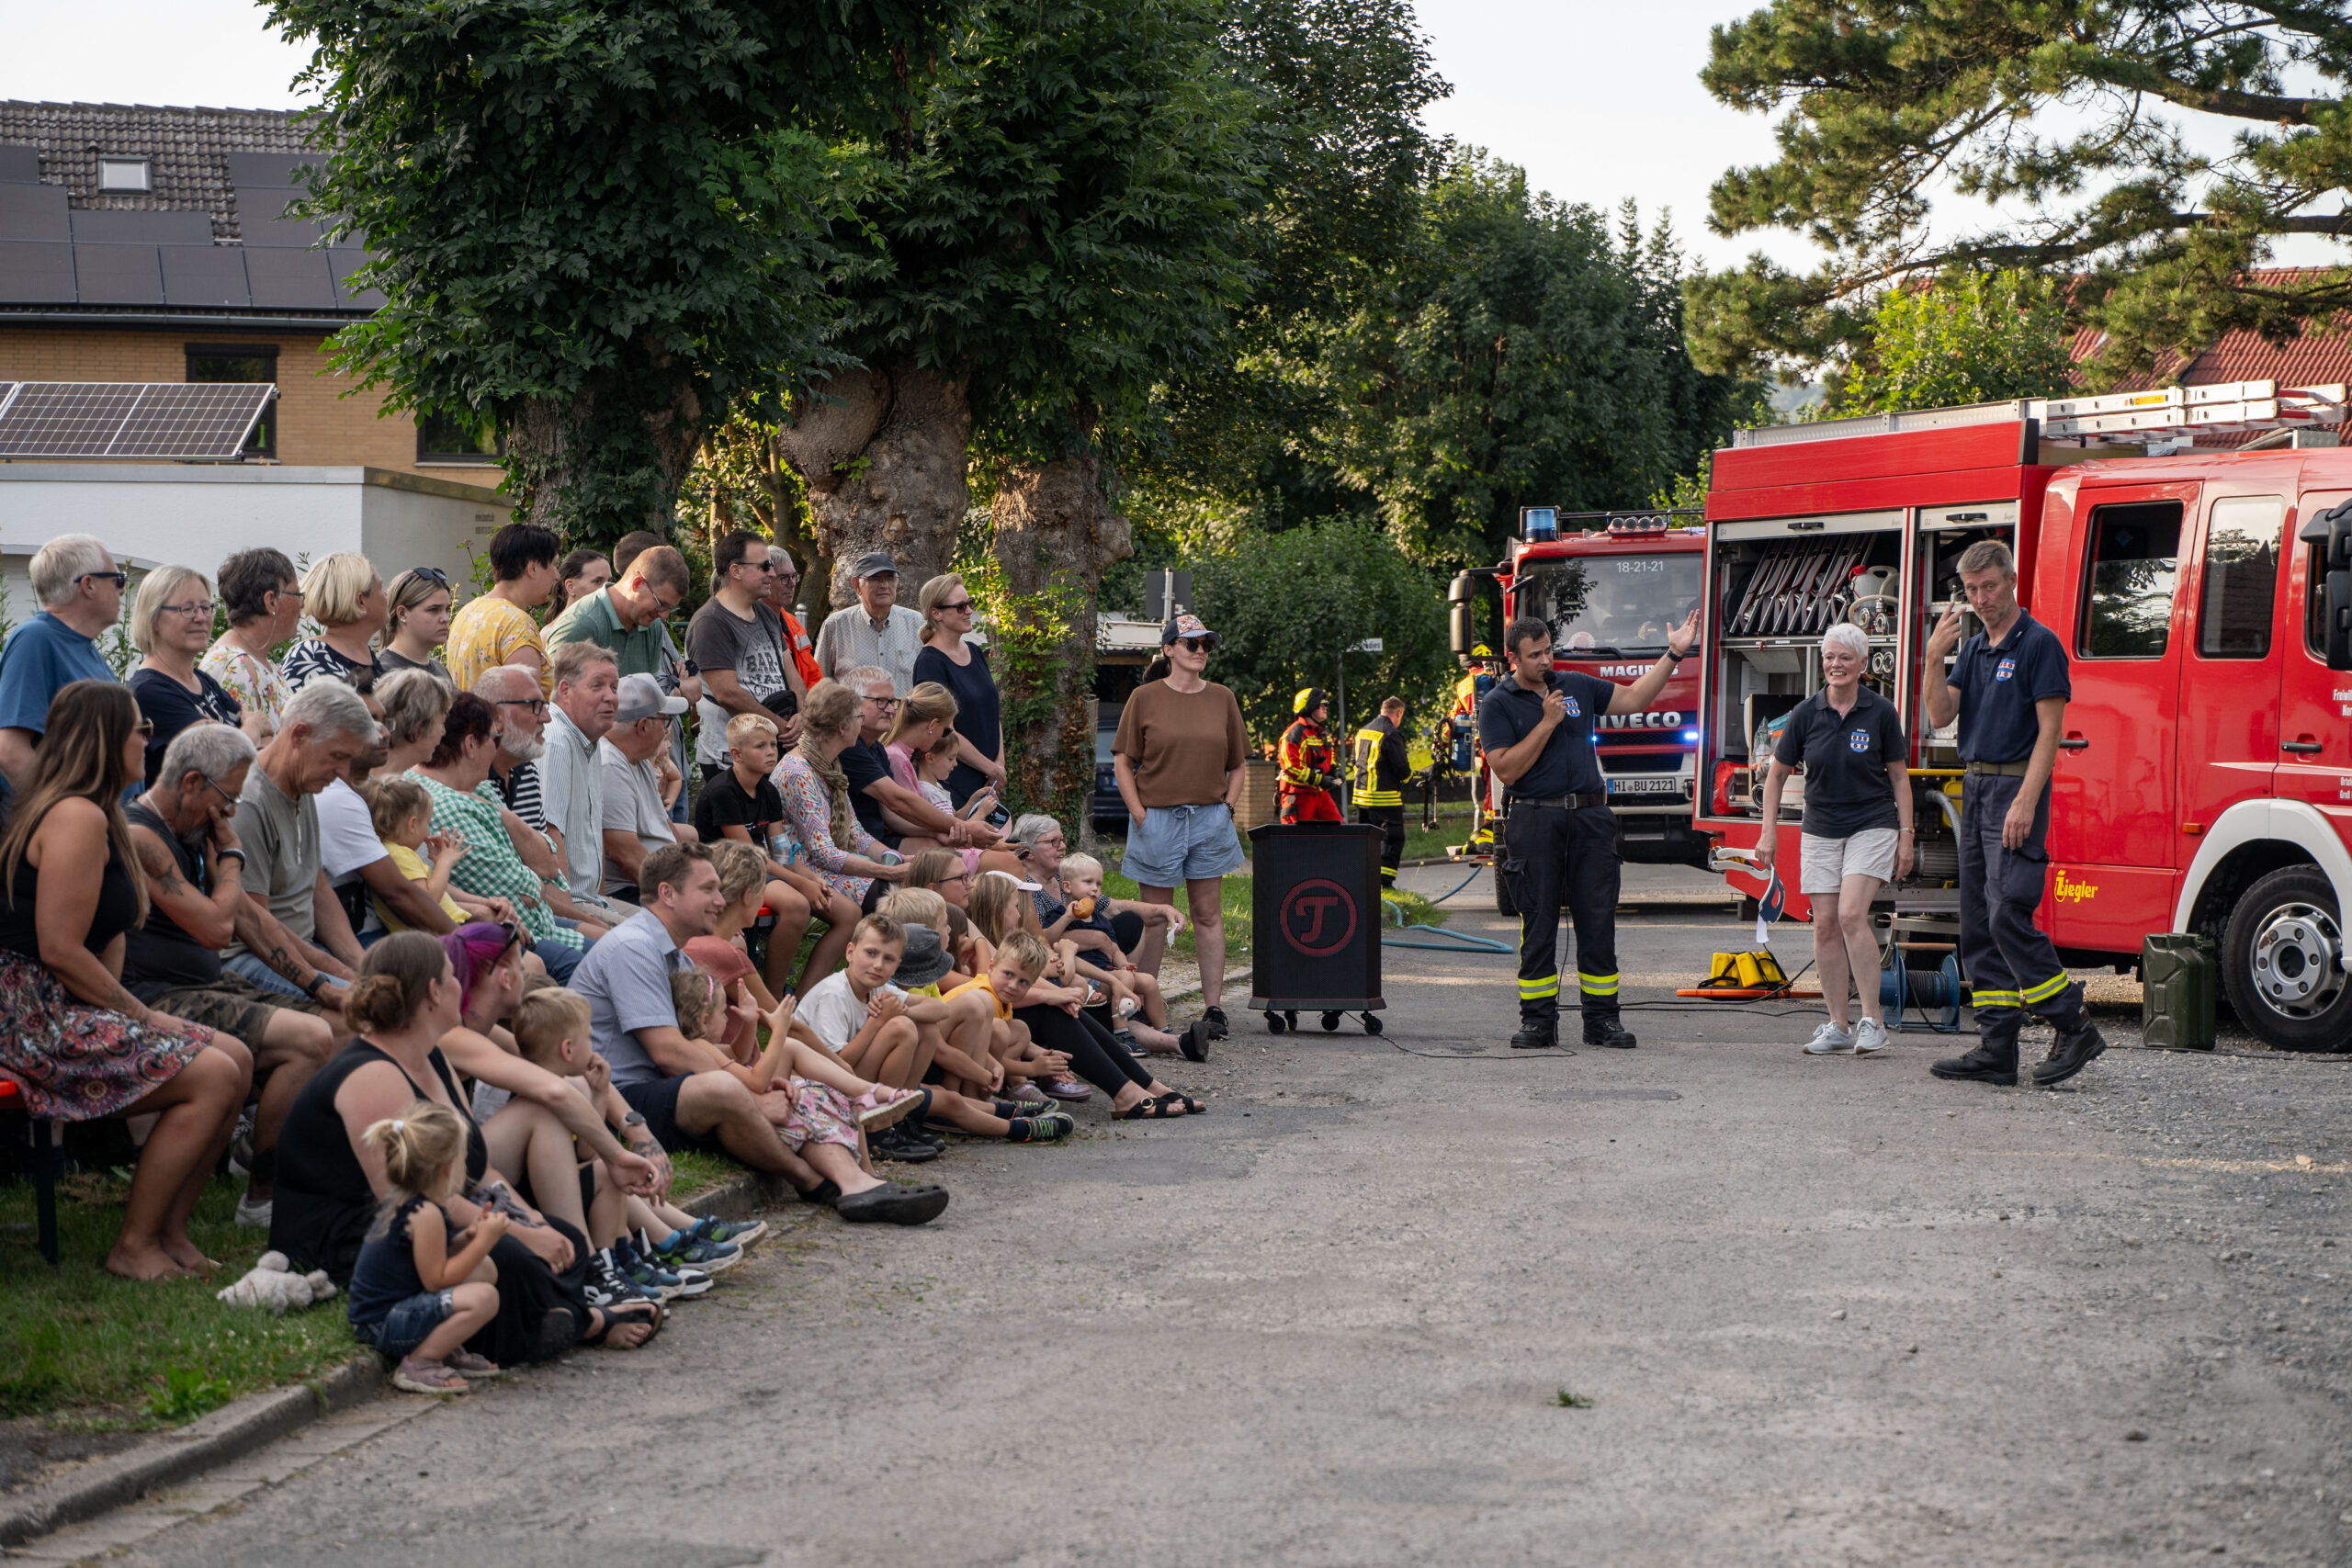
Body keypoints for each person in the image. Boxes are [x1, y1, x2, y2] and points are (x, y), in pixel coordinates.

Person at [270, 932, 656, 1356]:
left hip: (430, 1213)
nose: (462, 985)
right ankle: (587, 1322)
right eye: (455, 977)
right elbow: (409, 1199)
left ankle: (549, 1318)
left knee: (560, 1235)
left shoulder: (431, 1056)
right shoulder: (371, 1074)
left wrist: (532, 1222)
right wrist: (520, 1236)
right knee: (508, 1257)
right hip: (360, 1237)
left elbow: (476, 1170)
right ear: (434, 992)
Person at [0, 681, 252, 1279]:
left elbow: (104, 934)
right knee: (215, 1075)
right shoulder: (75, 816)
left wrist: (120, 1014)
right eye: (139, 729)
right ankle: (134, 1244)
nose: (149, 739)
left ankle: (172, 1233)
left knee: (237, 1057)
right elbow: (59, 948)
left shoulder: (103, 813)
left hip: (60, 1003)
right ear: (105, 739)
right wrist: (142, 1017)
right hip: (30, 1018)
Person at [572, 841, 951, 1224]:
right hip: (622, 1097)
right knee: (728, 1088)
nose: (721, 900)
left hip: (660, 1085)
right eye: (709, 890)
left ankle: (857, 1183)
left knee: (799, 1090)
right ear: (668, 894)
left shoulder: (671, 951)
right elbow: (668, 1052)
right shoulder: (634, 947)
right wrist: (752, 1092)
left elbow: (693, 1045)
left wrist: (758, 1080)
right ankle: (812, 1181)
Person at [124, 722, 339, 1230]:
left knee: (344, 1025)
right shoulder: (141, 835)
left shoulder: (195, 830)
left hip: (206, 988)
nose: (230, 814)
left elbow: (253, 921)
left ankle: (271, 1159)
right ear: (193, 782)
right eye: (228, 799)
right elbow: (218, 928)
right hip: (157, 993)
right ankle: (263, 1195)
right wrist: (233, 857)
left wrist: (326, 989)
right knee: (309, 1038)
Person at [1922, 539, 2104, 1088]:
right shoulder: (1974, 649)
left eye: (1990, 587)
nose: (1982, 598)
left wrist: (2027, 799)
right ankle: (1997, 1047)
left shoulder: (2038, 644)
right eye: (1972, 590)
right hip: (1974, 787)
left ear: (2011, 581)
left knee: (2008, 912)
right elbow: (1939, 714)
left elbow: (2052, 730)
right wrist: (1934, 656)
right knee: (1977, 923)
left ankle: (2073, 1024)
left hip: (2013, 790)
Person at [1479, 609, 1699, 1053]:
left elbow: (1635, 699)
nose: (1545, 661)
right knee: (1538, 922)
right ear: (1513, 659)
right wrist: (1546, 722)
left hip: (1590, 817)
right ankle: (1539, 1023)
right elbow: (1505, 768)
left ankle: (1602, 1021)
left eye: (1548, 651)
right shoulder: (1497, 704)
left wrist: (1674, 654)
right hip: (1535, 818)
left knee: (1597, 922)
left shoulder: (1575, 684)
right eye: (1534, 655)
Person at [1755, 624, 1915, 1057]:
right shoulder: (1807, 712)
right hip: (1821, 826)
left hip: (1873, 822)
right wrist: (1768, 830)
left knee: (1849, 915)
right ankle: (1838, 1026)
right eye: (1829, 657)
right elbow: (1776, 776)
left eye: (1845, 657)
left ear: (1863, 664)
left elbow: (1899, 777)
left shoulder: (1880, 711)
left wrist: (1906, 835)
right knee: (1823, 924)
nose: (1835, 665)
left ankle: (1872, 1022)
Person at [1111, 613, 1248, 1043]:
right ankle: (1147, 1008)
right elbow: (1123, 761)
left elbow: (1239, 763)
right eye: (1192, 644)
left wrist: (1226, 808)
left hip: (1210, 817)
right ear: (1169, 650)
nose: (1201, 650)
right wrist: (1138, 813)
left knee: (1207, 913)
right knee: (1154, 919)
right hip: (1157, 818)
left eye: (1206, 643)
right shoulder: (1144, 697)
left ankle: (1214, 1009)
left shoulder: (1223, 697)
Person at [412, 693, 589, 981]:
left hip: (538, 923)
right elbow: (529, 891)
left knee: (622, 944)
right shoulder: (444, 805)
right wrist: (533, 877)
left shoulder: (475, 787)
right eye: (495, 739)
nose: (498, 750)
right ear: (471, 744)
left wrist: (497, 811)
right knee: (611, 962)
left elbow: (548, 867)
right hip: (519, 932)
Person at [223, 680, 376, 1010]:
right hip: (252, 957)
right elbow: (257, 925)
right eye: (337, 756)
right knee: (376, 1016)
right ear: (299, 735)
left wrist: (362, 967)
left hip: (304, 950)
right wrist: (338, 973)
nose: (342, 772)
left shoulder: (304, 782)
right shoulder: (248, 802)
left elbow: (317, 887)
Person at [347, 1101, 507, 1394]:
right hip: (382, 1323)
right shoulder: (425, 1213)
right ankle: (420, 1363)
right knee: (485, 1297)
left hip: (396, 1310)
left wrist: (470, 1237)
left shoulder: (417, 1202)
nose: (464, 1166)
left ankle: (444, 1347)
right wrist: (485, 1241)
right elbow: (437, 1280)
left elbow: (430, 1256)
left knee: (484, 1269)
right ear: (446, 1168)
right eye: (462, 1159)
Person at [847, 670, 1012, 863]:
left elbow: (893, 815)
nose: (891, 710)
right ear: (852, 703)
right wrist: (962, 827)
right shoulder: (857, 747)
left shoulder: (878, 750)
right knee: (1005, 863)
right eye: (880, 701)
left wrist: (943, 831)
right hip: (864, 847)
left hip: (874, 844)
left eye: (892, 702)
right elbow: (899, 802)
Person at [0, 535, 123, 795]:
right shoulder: (36, 639)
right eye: (117, 580)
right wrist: (67, 814)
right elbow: (10, 751)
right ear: (88, 585)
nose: (122, 589)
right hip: (68, 830)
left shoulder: (82, 645)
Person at [775, 681, 908, 915]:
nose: (862, 721)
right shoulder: (798, 772)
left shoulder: (830, 764)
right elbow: (821, 852)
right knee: (893, 897)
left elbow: (855, 833)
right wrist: (885, 871)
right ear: (841, 728)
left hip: (826, 864)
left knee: (908, 885)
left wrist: (898, 858)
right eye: (858, 716)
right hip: (803, 871)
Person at [690, 529, 798, 782]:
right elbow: (727, 694)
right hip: (732, 760)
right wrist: (782, 728)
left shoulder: (766, 614)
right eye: (764, 567)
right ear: (736, 571)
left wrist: (801, 717)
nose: (771, 573)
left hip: (774, 747)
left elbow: (791, 673)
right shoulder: (710, 622)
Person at [611, 531, 703, 829]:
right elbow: (665, 692)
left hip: (673, 762)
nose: (663, 613)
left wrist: (675, 688)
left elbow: (696, 688)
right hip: (646, 770)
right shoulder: (621, 632)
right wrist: (675, 685)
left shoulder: (657, 629)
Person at [127, 564, 249, 787]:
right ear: (153, 618)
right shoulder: (149, 691)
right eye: (187, 609)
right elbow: (224, 760)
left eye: (206, 607)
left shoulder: (202, 680)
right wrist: (253, 728)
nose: (201, 617)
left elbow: (256, 744)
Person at [537, 641, 625, 924]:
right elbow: (549, 834)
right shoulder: (556, 739)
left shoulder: (589, 739)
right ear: (565, 690)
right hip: (567, 905)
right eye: (597, 686)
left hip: (591, 900)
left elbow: (590, 836)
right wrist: (577, 920)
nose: (610, 697)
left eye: (614, 687)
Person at [911, 571, 1007, 806]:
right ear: (936, 613)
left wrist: (999, 765)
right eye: (960, 606)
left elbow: (992, 714)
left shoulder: (975, 651)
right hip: (953, 780)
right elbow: (944, 730)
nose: (969, 611)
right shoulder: (929, 663)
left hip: (990, 779)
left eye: (970, 603)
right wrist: (990, 767)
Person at [600, 674, 692, 900]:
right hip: (635, 891)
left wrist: (691, 876)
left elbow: (665, 825)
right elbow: (626, 855)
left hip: (657, 881)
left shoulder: (637, 758)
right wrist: (682, 898)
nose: (666, 732)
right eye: (665, 722)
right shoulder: (610, 766)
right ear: (642, 726)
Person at [544, 544, 690, 682]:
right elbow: (555, 700)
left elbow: (651, 700)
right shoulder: (580, 624)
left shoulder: (653, 627)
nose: (664, 615)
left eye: (670, 608)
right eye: (661, 604)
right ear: (637, 583)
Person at [200, 547, 302, 740]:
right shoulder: (237, 667)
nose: (302, 604)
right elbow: (242, 754)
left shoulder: (257, 661)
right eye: (297, 595)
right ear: (271, 601)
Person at [447, 522, 560, 694]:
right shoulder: (516, 623)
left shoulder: (467, 612)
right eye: (553, 565)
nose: (557, 575)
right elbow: (527, 707)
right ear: (532, 568)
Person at [814, 550, 926, 694]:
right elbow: (819, 683)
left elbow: (928, 685)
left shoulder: (916, 623)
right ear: (856, 584)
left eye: (890, 578)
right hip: (854, 715)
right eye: (875, 578)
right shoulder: (837, 625)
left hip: (903, 714)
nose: (884, 585)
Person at [278, 553, 387, 692]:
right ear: (361, 601)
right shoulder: (307, 656)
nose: (386, 595)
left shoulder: (369, 657)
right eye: (381, 588)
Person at [1352, 695, 1412, 892]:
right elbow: (1401, 768)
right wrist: (1411, 778)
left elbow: (1355, 759)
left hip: (1361, 797)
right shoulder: (1390, 733)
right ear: (1397, 713)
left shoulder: (1362, 732)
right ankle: (1384, 882)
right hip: (1385, 798)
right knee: (1393, 838)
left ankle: (1365, 879)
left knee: (1367, 839)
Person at [1277, 687, 1343, 824]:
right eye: (1321, 704)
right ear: (1309, 706)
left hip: (1319, 793)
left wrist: (1334, 771)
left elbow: (1329, 758)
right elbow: (1291, 767)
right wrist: (1319, 779)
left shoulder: (1322, 733)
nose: (1325, 707)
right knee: (1296, 838)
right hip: (1297, 794)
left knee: (1340, 830)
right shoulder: (1293, 735)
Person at [378, 568, 455, 681]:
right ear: (402, 614)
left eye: (447, 610)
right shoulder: (380, 673)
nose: (446, 618)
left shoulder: (441, 671)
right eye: (433, 610)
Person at [547, 548, 611, 622]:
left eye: (609, 581)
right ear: (570, 587)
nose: (607, 588)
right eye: (598, 581)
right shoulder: (557, 631)